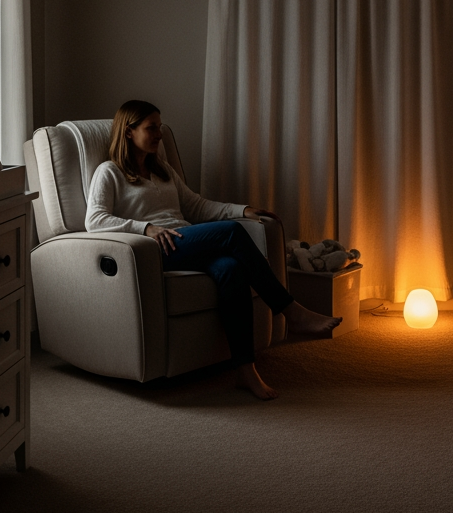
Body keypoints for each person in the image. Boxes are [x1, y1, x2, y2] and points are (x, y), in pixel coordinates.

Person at [86, 100, 340, 399]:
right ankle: (290, 310)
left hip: (186, 240)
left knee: (231, 269)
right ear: (129, 132)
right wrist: (146, 228)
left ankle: (245, 371)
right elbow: (95, 220)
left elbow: (196, 206)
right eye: (151, 128)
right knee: (231, 233)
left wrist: (242, 209)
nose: (159, 134)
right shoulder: (109, 171)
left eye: (159, 127)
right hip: (155, 249)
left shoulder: (162, 170)